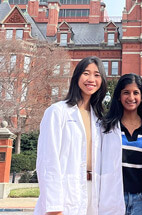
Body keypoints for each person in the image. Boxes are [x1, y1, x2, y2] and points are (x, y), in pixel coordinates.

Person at [34, 56, 107, 215]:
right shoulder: (57, 112)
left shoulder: (99, 119)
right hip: (66, 193)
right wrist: (54, 207)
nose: (91, 79)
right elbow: (48, 161)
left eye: (97, 75)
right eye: (86, 73)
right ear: (77, 77)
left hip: (93, 193)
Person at [99, 73, 142, 215]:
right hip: (114, 198)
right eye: (126, 93)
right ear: (118, 96)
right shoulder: (106, 127)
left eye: (136, 93)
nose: (131, 98)